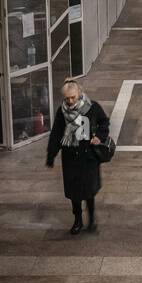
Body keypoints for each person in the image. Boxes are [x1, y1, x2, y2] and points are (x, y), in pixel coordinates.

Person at [45, 78, 110, 235]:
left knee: (89, 190)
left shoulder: (92, 107)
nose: (70, 101)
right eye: (67, 98)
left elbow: (104, 123)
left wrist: (99, 137)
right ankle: (78, 220)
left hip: (88, 157)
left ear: (79, 93)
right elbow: (56, 133)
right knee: (74, 192)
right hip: (70, 157)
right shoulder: (62, 111)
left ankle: (92, 218)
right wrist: (51, 155)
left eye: (73, 97)